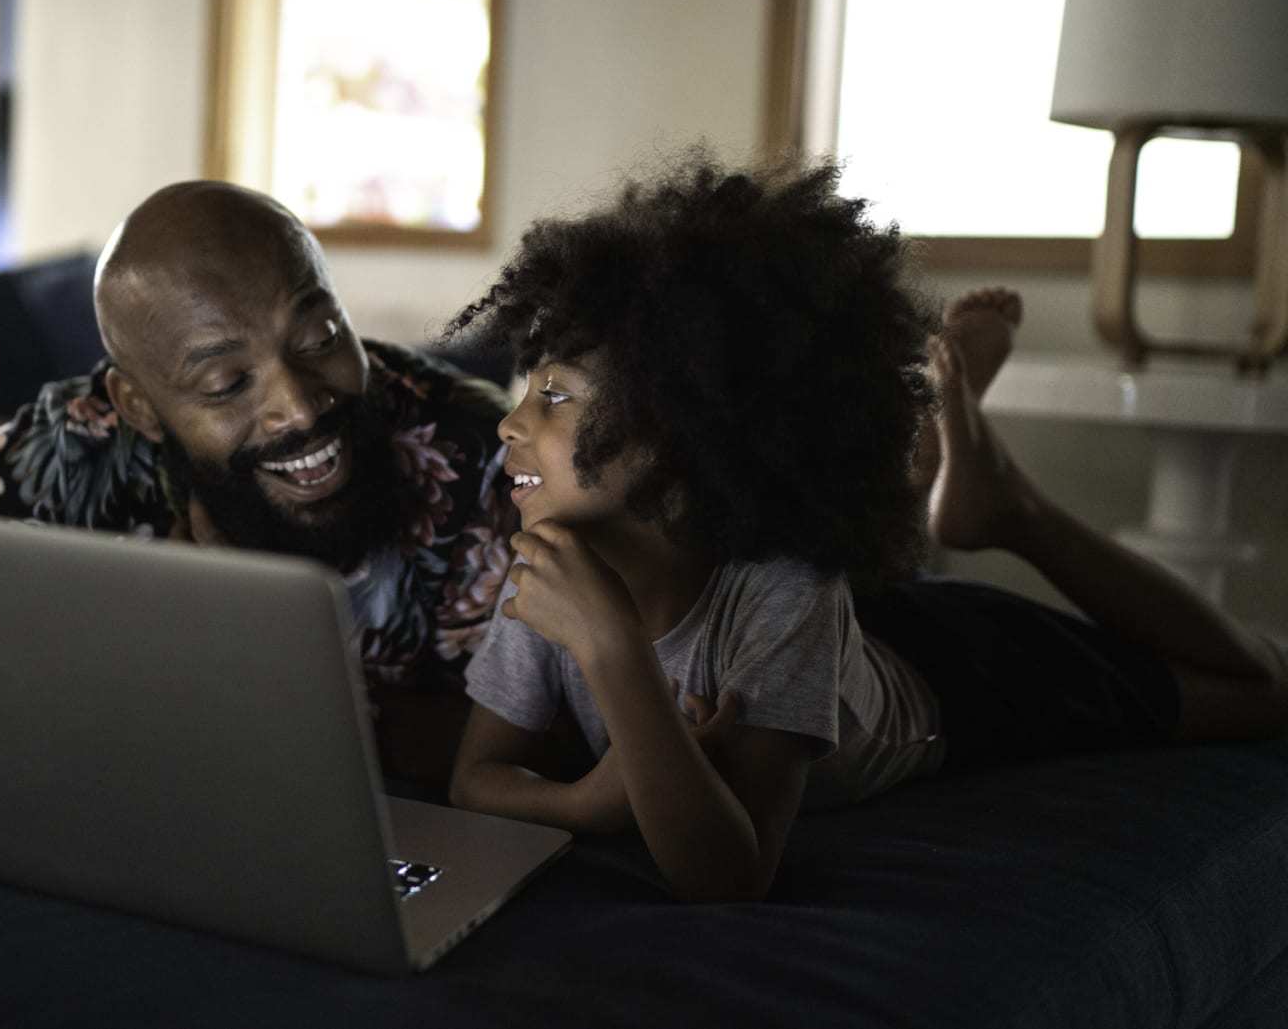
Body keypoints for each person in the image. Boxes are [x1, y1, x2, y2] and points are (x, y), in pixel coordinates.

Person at [443, 151, 1288, 904]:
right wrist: (586, 799)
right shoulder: (550, 574)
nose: (511, 425)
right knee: (852, 572)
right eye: (524, 393)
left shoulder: (780, 591)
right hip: (843, 641)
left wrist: (613, 651)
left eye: (554, 396)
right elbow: (474, 779)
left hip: (961, 677)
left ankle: (1008, 507)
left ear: (685, 426)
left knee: (1261, 689)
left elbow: (730, 873)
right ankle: (938, 475)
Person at [0, 180, 518, 793]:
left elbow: (541, 748)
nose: (299, 404)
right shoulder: (74, 442)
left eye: (320, 335)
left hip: (371, 826)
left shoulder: (478, 450)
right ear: (137, 404)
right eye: (228, 383)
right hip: (95, 799)